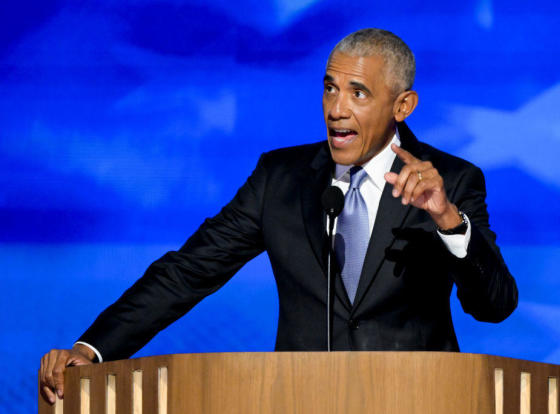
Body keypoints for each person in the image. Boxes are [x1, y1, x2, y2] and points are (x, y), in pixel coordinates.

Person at [40, 28, 518, 404]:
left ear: (402, 105)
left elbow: (494, 305)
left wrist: (449, 221)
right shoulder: (280, 179)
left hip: (419, 402)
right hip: (299, 400)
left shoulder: (450, 181)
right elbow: (188, 272)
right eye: (330, 88)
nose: (336, 109)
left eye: (358, 93)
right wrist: (93, 350)